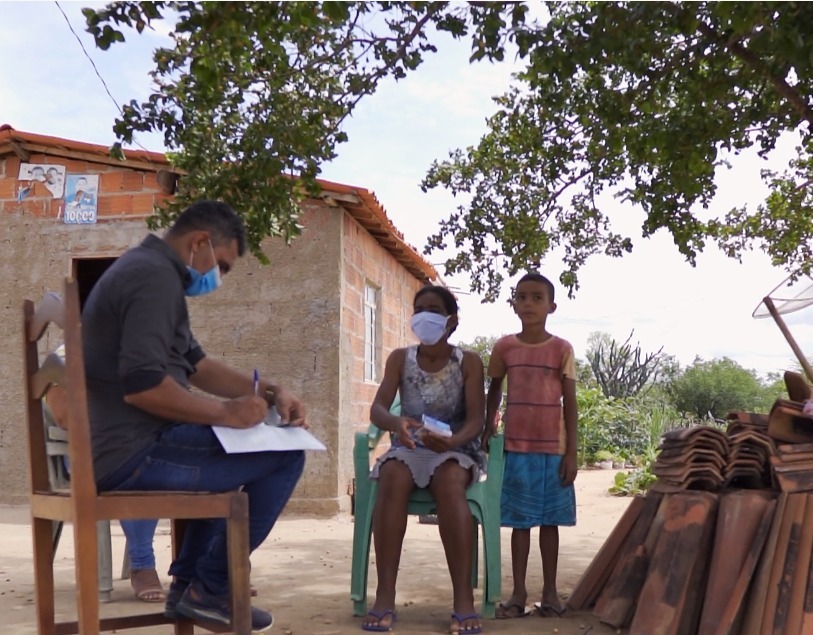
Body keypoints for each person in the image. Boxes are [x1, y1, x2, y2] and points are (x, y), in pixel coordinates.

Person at [82, 200, 307, 633]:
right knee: (287, 455)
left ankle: (189, 588)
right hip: (132, 455)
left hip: (130, 447)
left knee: (223, 457)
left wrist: (269, 391)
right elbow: (144, 386)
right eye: (221, 265)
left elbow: (198, 366)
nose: (217, 278)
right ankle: (211, 587)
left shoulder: (153, 272)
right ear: (199, 242)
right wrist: (225, 414)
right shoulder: (152, 278)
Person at [363, 285, 486, 634]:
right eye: (419, 309)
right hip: (410, 446)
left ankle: (463, 599)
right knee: (392, 477)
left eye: (433, 309)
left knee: (449, 481)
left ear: (451, 321)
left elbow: (477, 418)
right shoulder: (400, 359)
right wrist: (395, 423)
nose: (423, 316)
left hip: (456, 448)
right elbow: (378, 409)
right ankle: (385, 595)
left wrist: (452, 440)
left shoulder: (469, 362)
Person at [483, 272, 578, 620]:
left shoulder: (561, 349)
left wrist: (572, 453)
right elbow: (494, 388)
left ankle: (550, 594)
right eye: (521, 297)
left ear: (552, 306)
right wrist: (488, 424)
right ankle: (518, 593)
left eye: (537, 298)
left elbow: (570, 402)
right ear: (514, 304)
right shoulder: (505, 347)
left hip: (553, 449)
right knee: (520, 523)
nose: (528, 303)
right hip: (517, 447)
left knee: (550, 523)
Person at [42, 347, 166, 603]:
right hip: (87, 457)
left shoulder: (138, 350)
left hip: (136, 445)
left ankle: (208, 568)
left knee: (203, 455)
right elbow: (65, 418)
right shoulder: (66, 355)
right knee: (137, 459)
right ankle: (143, 564)